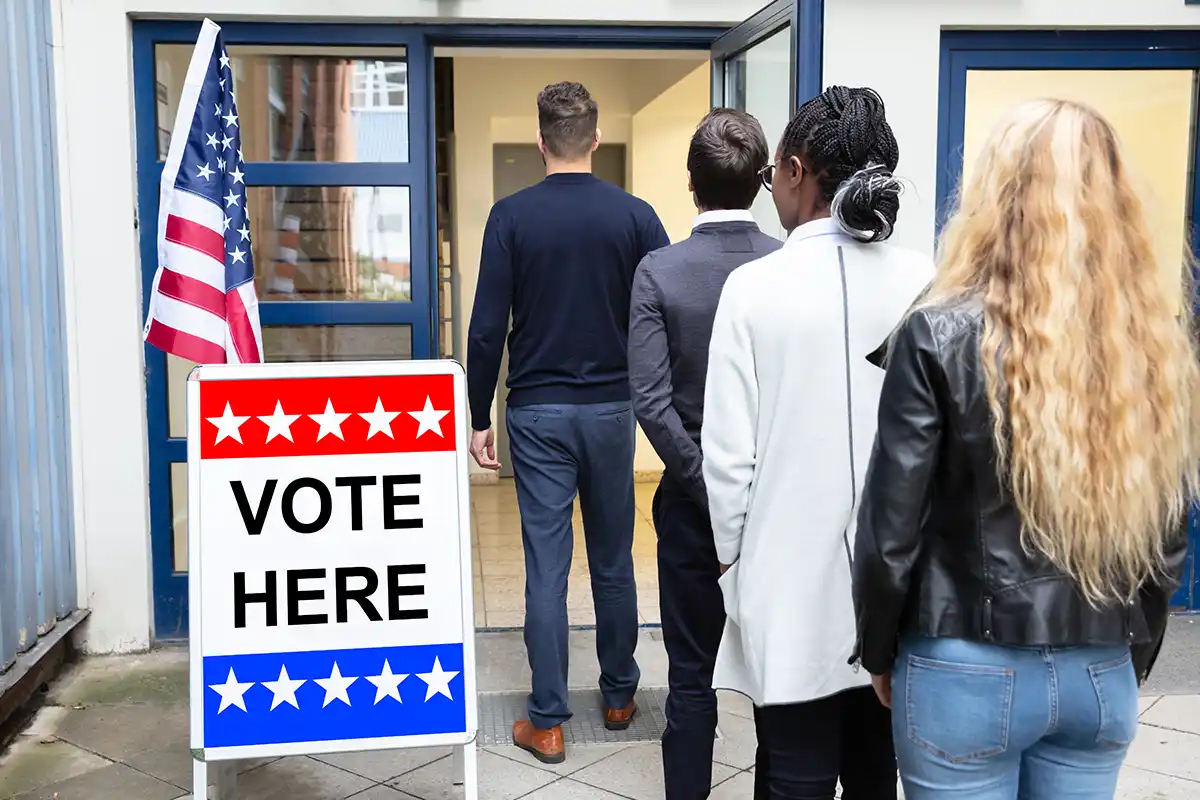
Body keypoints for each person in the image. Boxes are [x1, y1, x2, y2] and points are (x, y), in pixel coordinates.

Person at [851, 98, 1199, 800]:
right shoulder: (1154, 347)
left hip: (961, 666)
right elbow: (1167, 539)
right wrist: (1126, 659)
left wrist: (880, 652)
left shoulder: (936, 333)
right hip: (1098, 670)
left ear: (991, 196)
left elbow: (890, 533)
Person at [702, 86, 933, 800]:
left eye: (774, 176)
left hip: (785, 583)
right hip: (906, 592)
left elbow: (727, 464)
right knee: (876, 777)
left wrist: (735, 567)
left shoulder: (752, 289)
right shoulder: (929, 279)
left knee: (791, 778)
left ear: (796, 171)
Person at [466, 81, 670, 765]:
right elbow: (665, 313)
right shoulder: (636, 217)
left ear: (540, 139)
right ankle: (618, 697)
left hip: (538, 412)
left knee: (546, 567)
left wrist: (476, 415)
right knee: (614, 560)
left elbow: (488, 326)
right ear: (597, 134)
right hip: (614, 410)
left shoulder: (510, 217)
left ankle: (547, 720)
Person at [628, 108, 781, 799]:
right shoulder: (787, 265)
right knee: (780, 679)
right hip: (779, 508)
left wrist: (708, 487)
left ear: (692, 183)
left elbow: (652, 402)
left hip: (692, 512)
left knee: (691, 675)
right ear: (762, 181)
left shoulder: (660, 271)